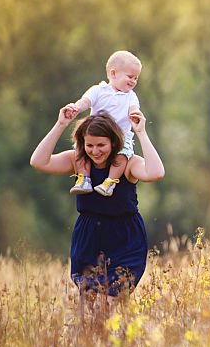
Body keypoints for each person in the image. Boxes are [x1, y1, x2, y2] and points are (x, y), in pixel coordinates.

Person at [30, 107, 165, 298]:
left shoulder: (127, 163)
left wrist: (141, 133)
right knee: (89, 300)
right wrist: (61, 124)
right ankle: (89, 329)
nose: (95, 151)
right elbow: (38, 162)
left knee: (116, 301)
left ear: (114, 142)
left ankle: (120, 328)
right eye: (89, 145)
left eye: (101, 145)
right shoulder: (78, 161)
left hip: (125, 236)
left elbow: (156, 173)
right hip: (89, 235)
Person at [63, 50, 143, 197]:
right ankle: (84, 178)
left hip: (120, 136)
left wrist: (135, 114)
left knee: (123, 155)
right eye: (130, 77)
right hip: (95, 134)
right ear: (113, 74)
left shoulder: (131, 96)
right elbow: (85, 101)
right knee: (80, 150)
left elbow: (134, 108)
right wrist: (76, 107)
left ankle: (110, 182)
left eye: (136, 78)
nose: (133, 81)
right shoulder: (98, 90)